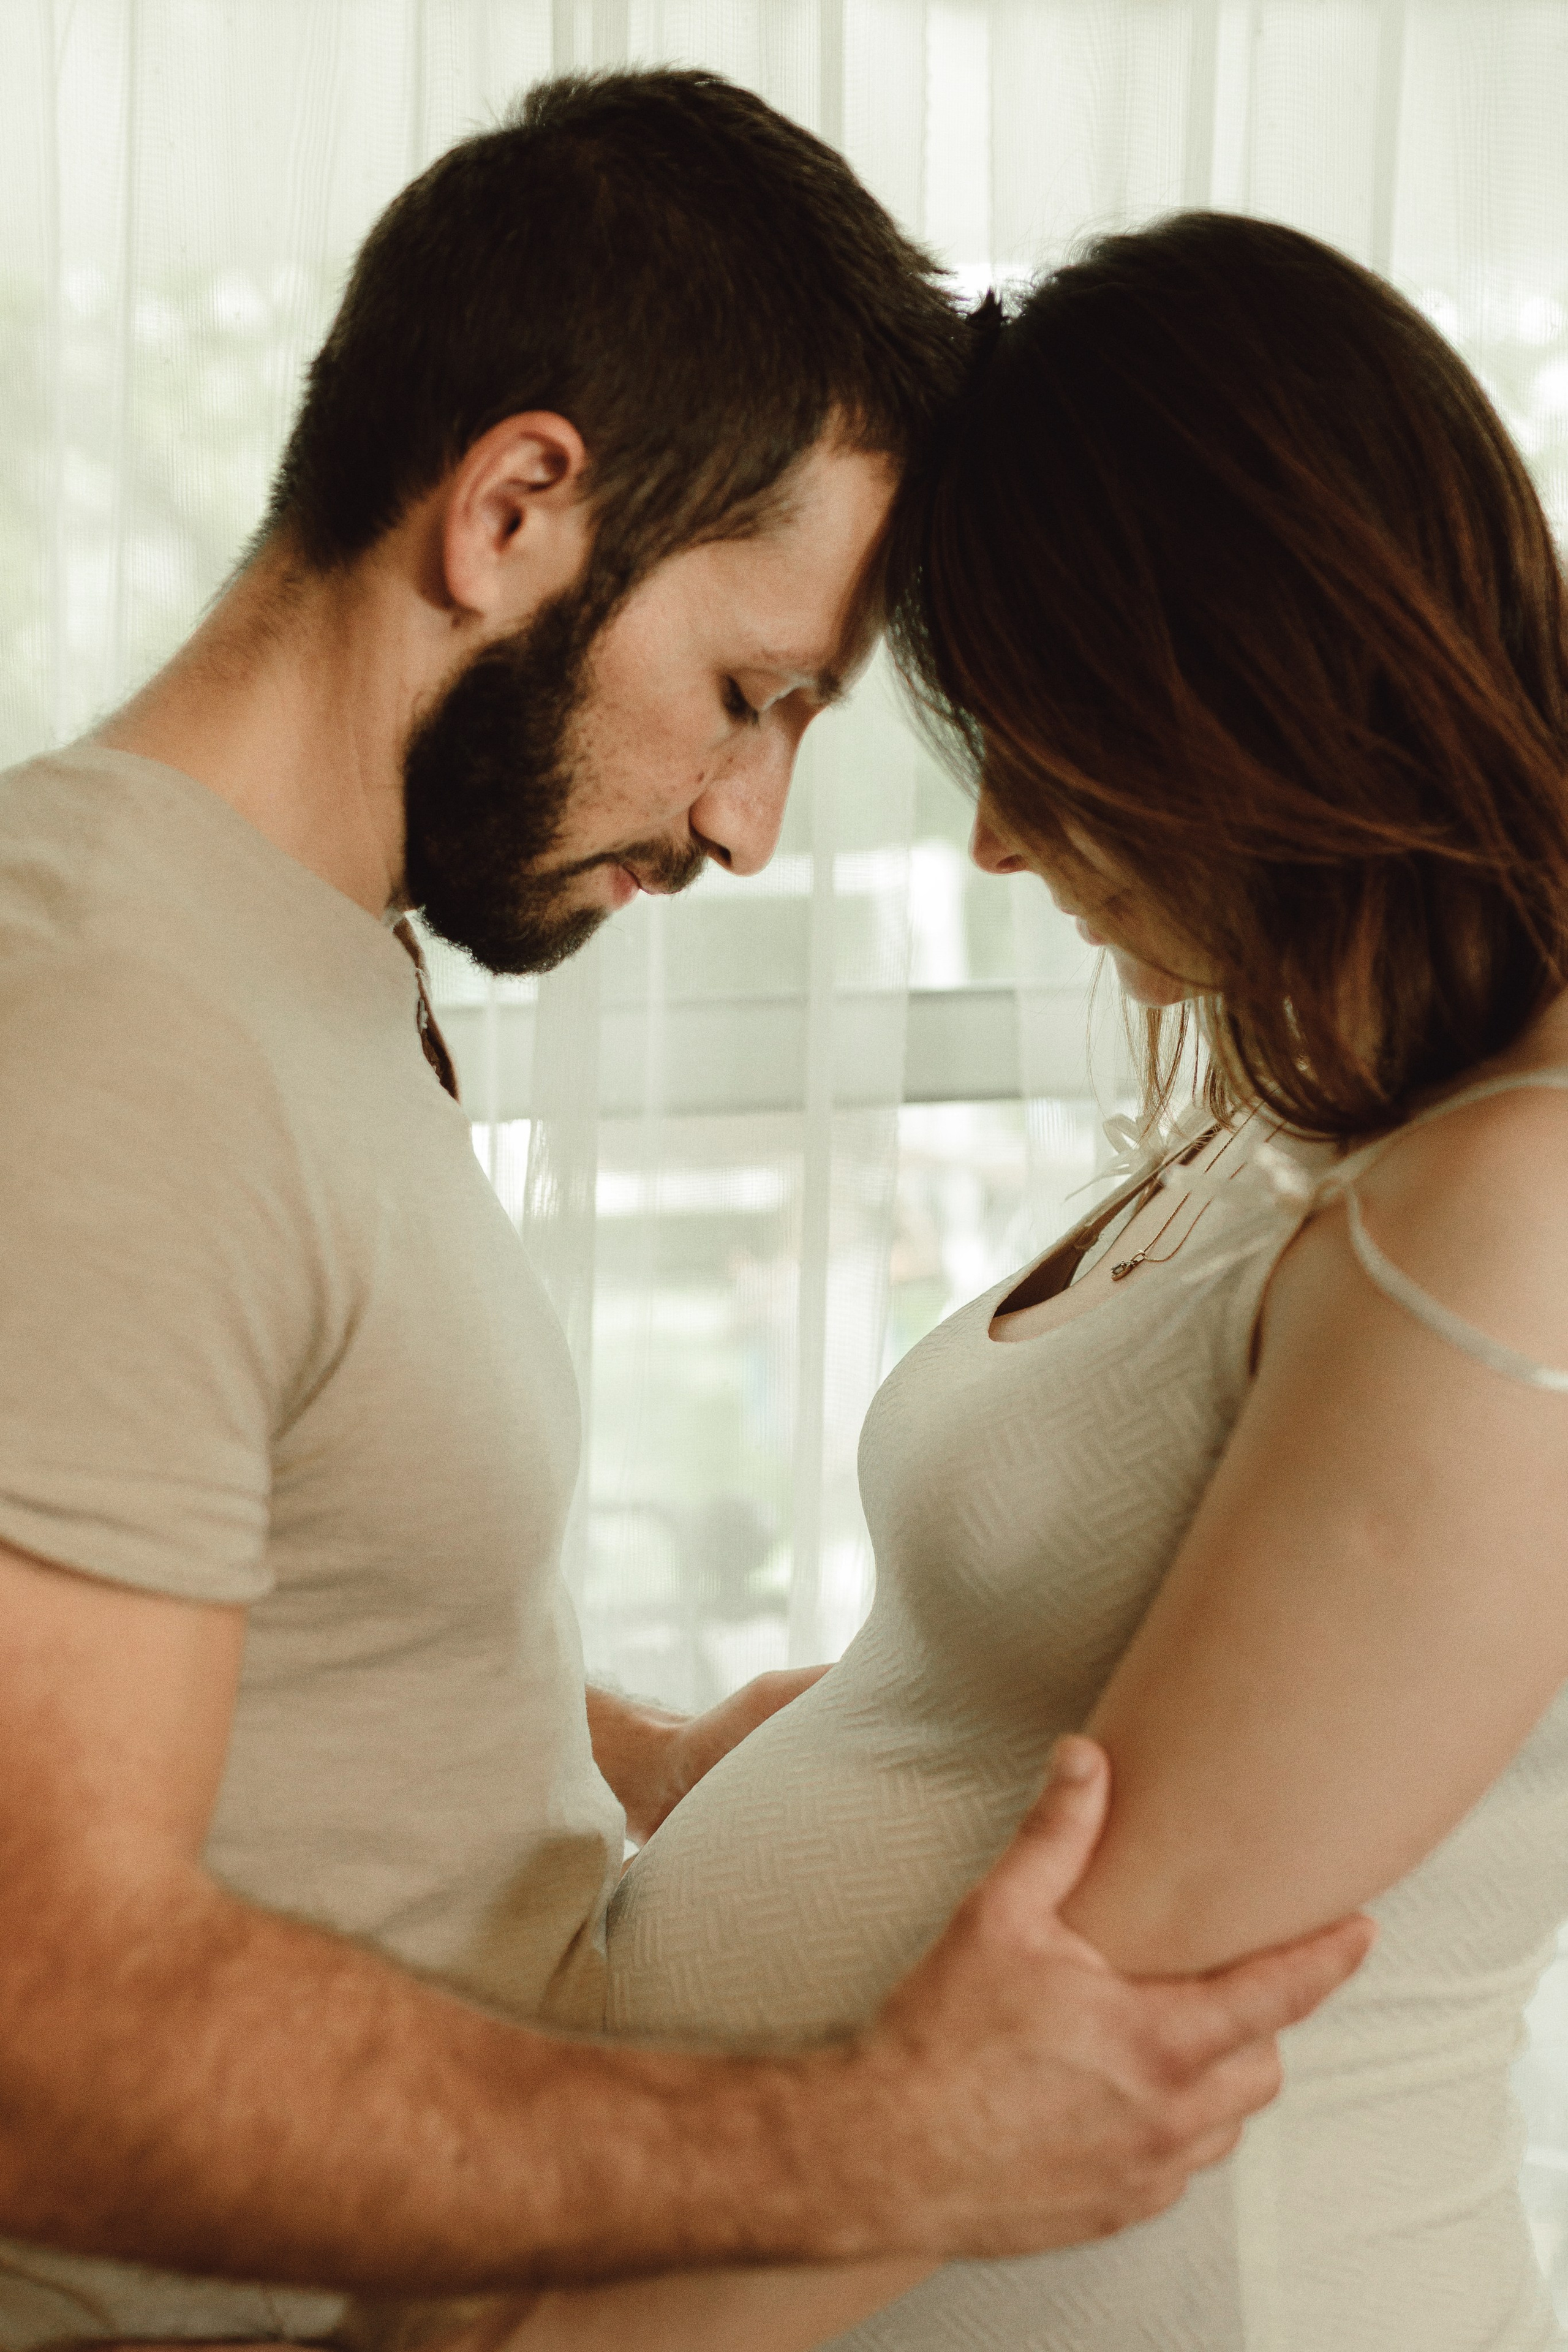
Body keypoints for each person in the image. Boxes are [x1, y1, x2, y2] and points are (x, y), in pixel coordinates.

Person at [0, 78, 1370, 2352]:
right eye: (749, 697)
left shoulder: (286, 966)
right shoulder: (113, 1017)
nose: (747, 825)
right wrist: (888, 2146)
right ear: (520, 508)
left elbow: (248, 1654)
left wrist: (644, 1760)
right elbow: (39, 2023)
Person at [602, 214, 1568, 2350]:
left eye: (1043, 743)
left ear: (1246, 686)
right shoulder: (1311, 1118)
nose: (1002, 848)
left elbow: (1074, 2027)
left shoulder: (1528, 1203)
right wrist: (741, 1765)